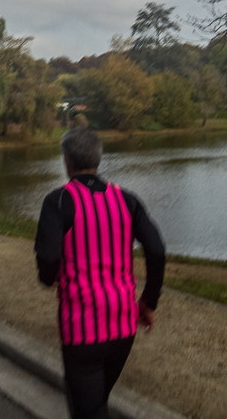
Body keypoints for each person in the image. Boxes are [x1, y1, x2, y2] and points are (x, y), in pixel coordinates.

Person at [34, 127, 165, 419]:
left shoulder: (58, 201)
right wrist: (148, 302)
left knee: (88, 410)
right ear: (98, 159)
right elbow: (156, 250)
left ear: (67, 160)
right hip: (123, 326)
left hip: (81, 332)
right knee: (96, 402)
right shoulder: (127, 200)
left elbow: (48, 257)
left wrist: (49, 276)